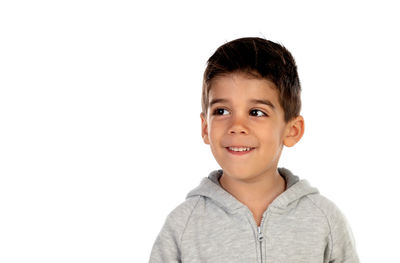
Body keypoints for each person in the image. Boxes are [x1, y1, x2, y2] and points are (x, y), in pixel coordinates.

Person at [148, 37, 360, 263]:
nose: (236, 126)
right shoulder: (182, 226)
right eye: (221, 111)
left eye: (256, 112)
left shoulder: (325, 220)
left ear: (292, 130)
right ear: (205, 128)